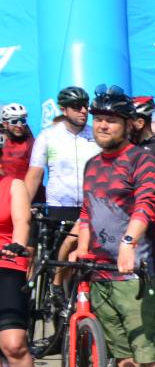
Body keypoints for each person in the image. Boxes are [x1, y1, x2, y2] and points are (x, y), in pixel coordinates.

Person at [70, 91, 155, 367]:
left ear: (129, 124)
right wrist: (81, 248)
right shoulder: (93, 165)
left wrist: (129, 242)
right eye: (98, 118)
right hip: (100, 274)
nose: (102, 125)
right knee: (122, 353)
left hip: (136, 274)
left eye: (110, 120)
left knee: (147, 351)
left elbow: (146, 205)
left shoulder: (142, 161)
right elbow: (87, 212)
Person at [25, 86, 101, 303]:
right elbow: (35, 174)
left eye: (85, 105)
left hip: (90, 207)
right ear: (63, 109)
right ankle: (56, 294)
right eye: (77, 107)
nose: (83, 111)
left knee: (87, 262)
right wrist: (23, 208)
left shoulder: (95, 136)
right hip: (60, 207)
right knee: (60, 260)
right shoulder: (48, 136)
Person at [0, 167, 54, 367]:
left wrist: (17, 246)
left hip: (6, 264)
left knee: (14, 343)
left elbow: (22, 222)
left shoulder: (13, 185)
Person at [0, 103, 33, 179]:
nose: (19, 125)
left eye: (22, 121)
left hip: (24, 185)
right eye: (14, 122)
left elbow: (37, 171)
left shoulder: (31, 143)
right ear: (5, 124)